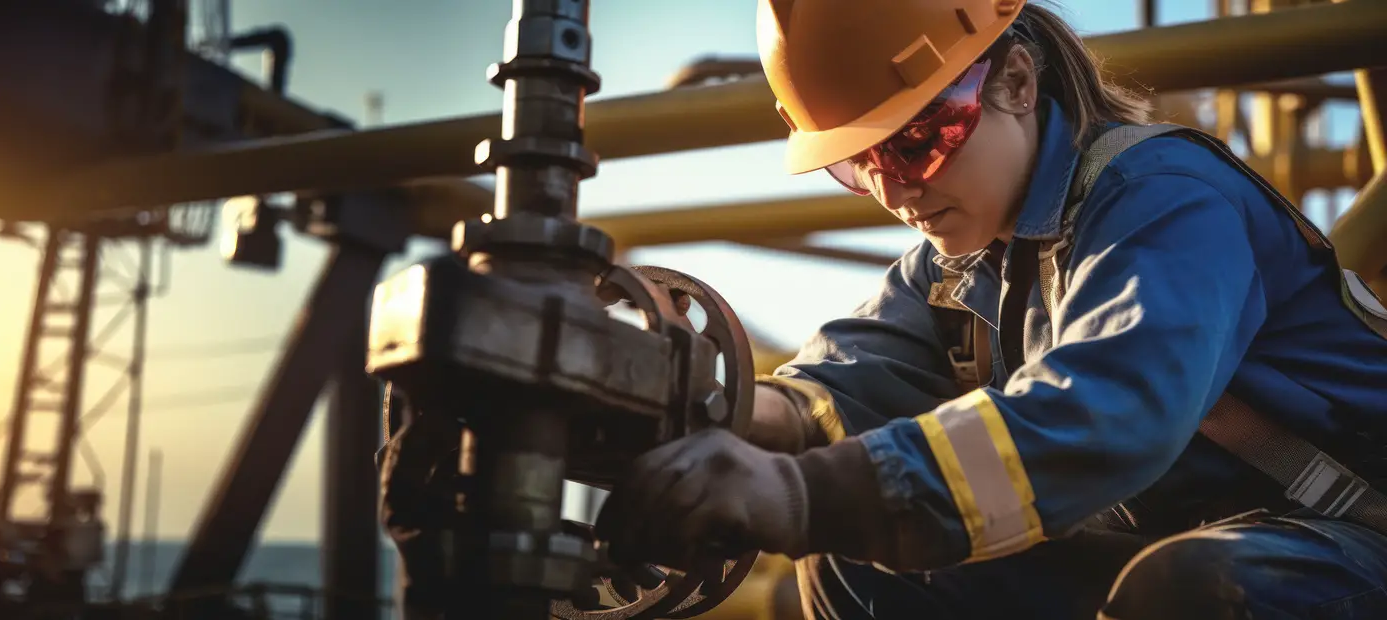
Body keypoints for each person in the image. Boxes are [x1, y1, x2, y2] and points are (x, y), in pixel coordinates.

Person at [591, 1, 1387, 618]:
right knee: (860, 567)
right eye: (858, 162)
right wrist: (695, 402)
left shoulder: (1163, 200)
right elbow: (844, 385)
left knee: (1195, 589)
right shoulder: (963, 263)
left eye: (915, 143)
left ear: (1014, 79)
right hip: (1211, 540)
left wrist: (798, 496)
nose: (893, 191)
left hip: (1355, 543)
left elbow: (1108, 416)